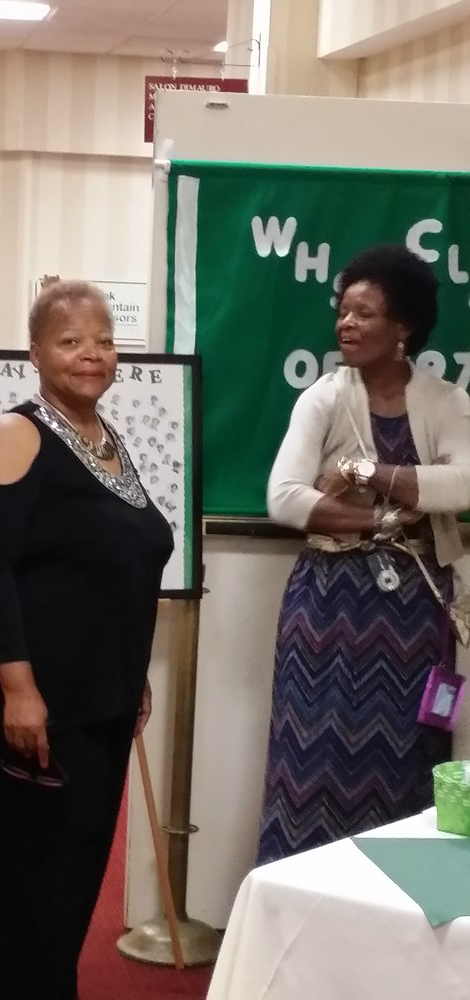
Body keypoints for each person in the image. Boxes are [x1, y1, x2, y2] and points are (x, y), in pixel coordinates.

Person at [0, 280, 174, 1000]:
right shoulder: (16, 436)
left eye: (104, 340)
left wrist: (131, 675)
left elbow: (111, 575)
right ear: (34, 352)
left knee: (67, 894)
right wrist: (18, 691)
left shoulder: (105, 441)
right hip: (32, 709)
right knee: (34, 900)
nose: (91, 354)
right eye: (70, 341)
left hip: (97, 702)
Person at [257, 244, 470, 864]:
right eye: (342, 312)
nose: (345, 324)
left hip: (416, 614)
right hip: (326, 608)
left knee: (407, 757)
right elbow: (285, 498)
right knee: (310, 759)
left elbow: (462, 484)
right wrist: (384, 517)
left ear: (403, 327)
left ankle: (400, 906)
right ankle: (297, 900)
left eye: (364, 313)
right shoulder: (323, 397)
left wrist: (365, 470)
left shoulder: (447, 401)